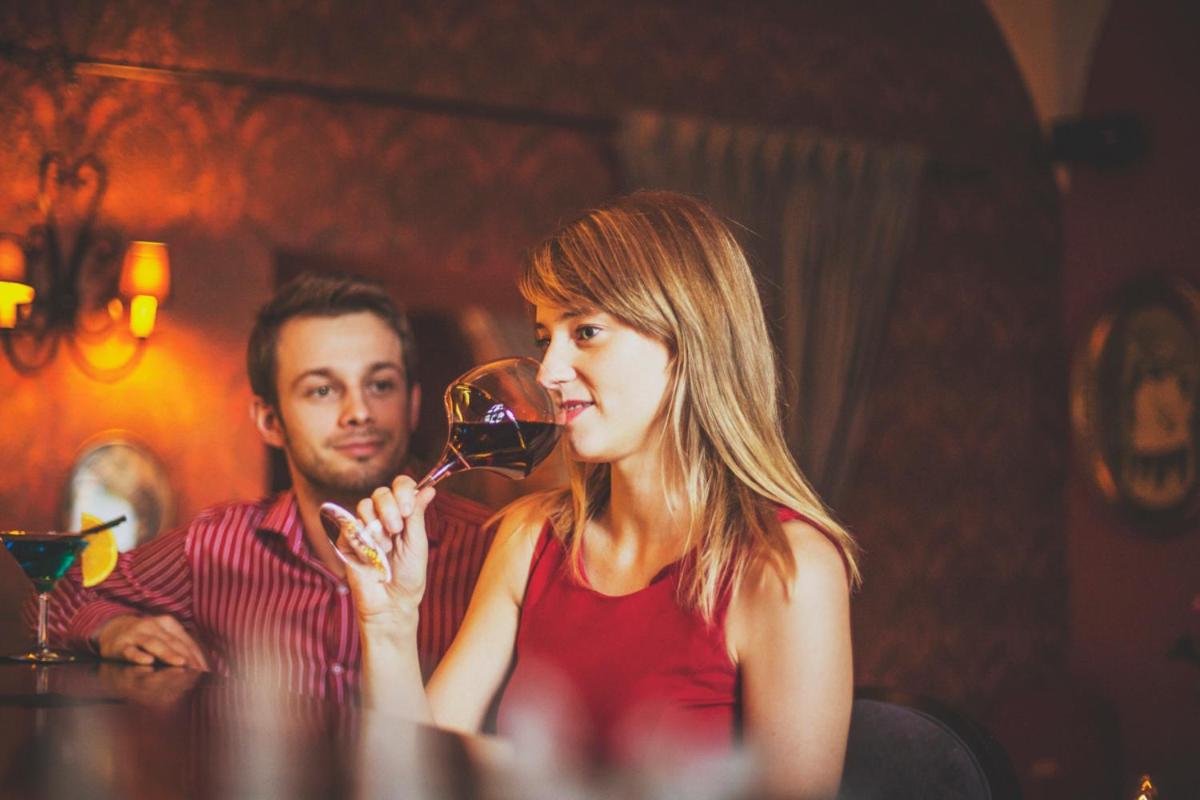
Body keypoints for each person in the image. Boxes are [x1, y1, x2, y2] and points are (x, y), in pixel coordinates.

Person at [336, 192, 861, 798]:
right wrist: (389, 621)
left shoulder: (785, 568)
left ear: (689, 343)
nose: (548, 371)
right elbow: (409, 784)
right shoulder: (532, 537)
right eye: (545, 338)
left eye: (585, 332)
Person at [36, 273, 494, 700]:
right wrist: (113, 628)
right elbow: (57, 593)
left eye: (380, 384)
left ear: (412, 406)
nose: (359, 412)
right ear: (269, 421)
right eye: (322, 390)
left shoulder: (489, 549)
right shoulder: (215, 546)